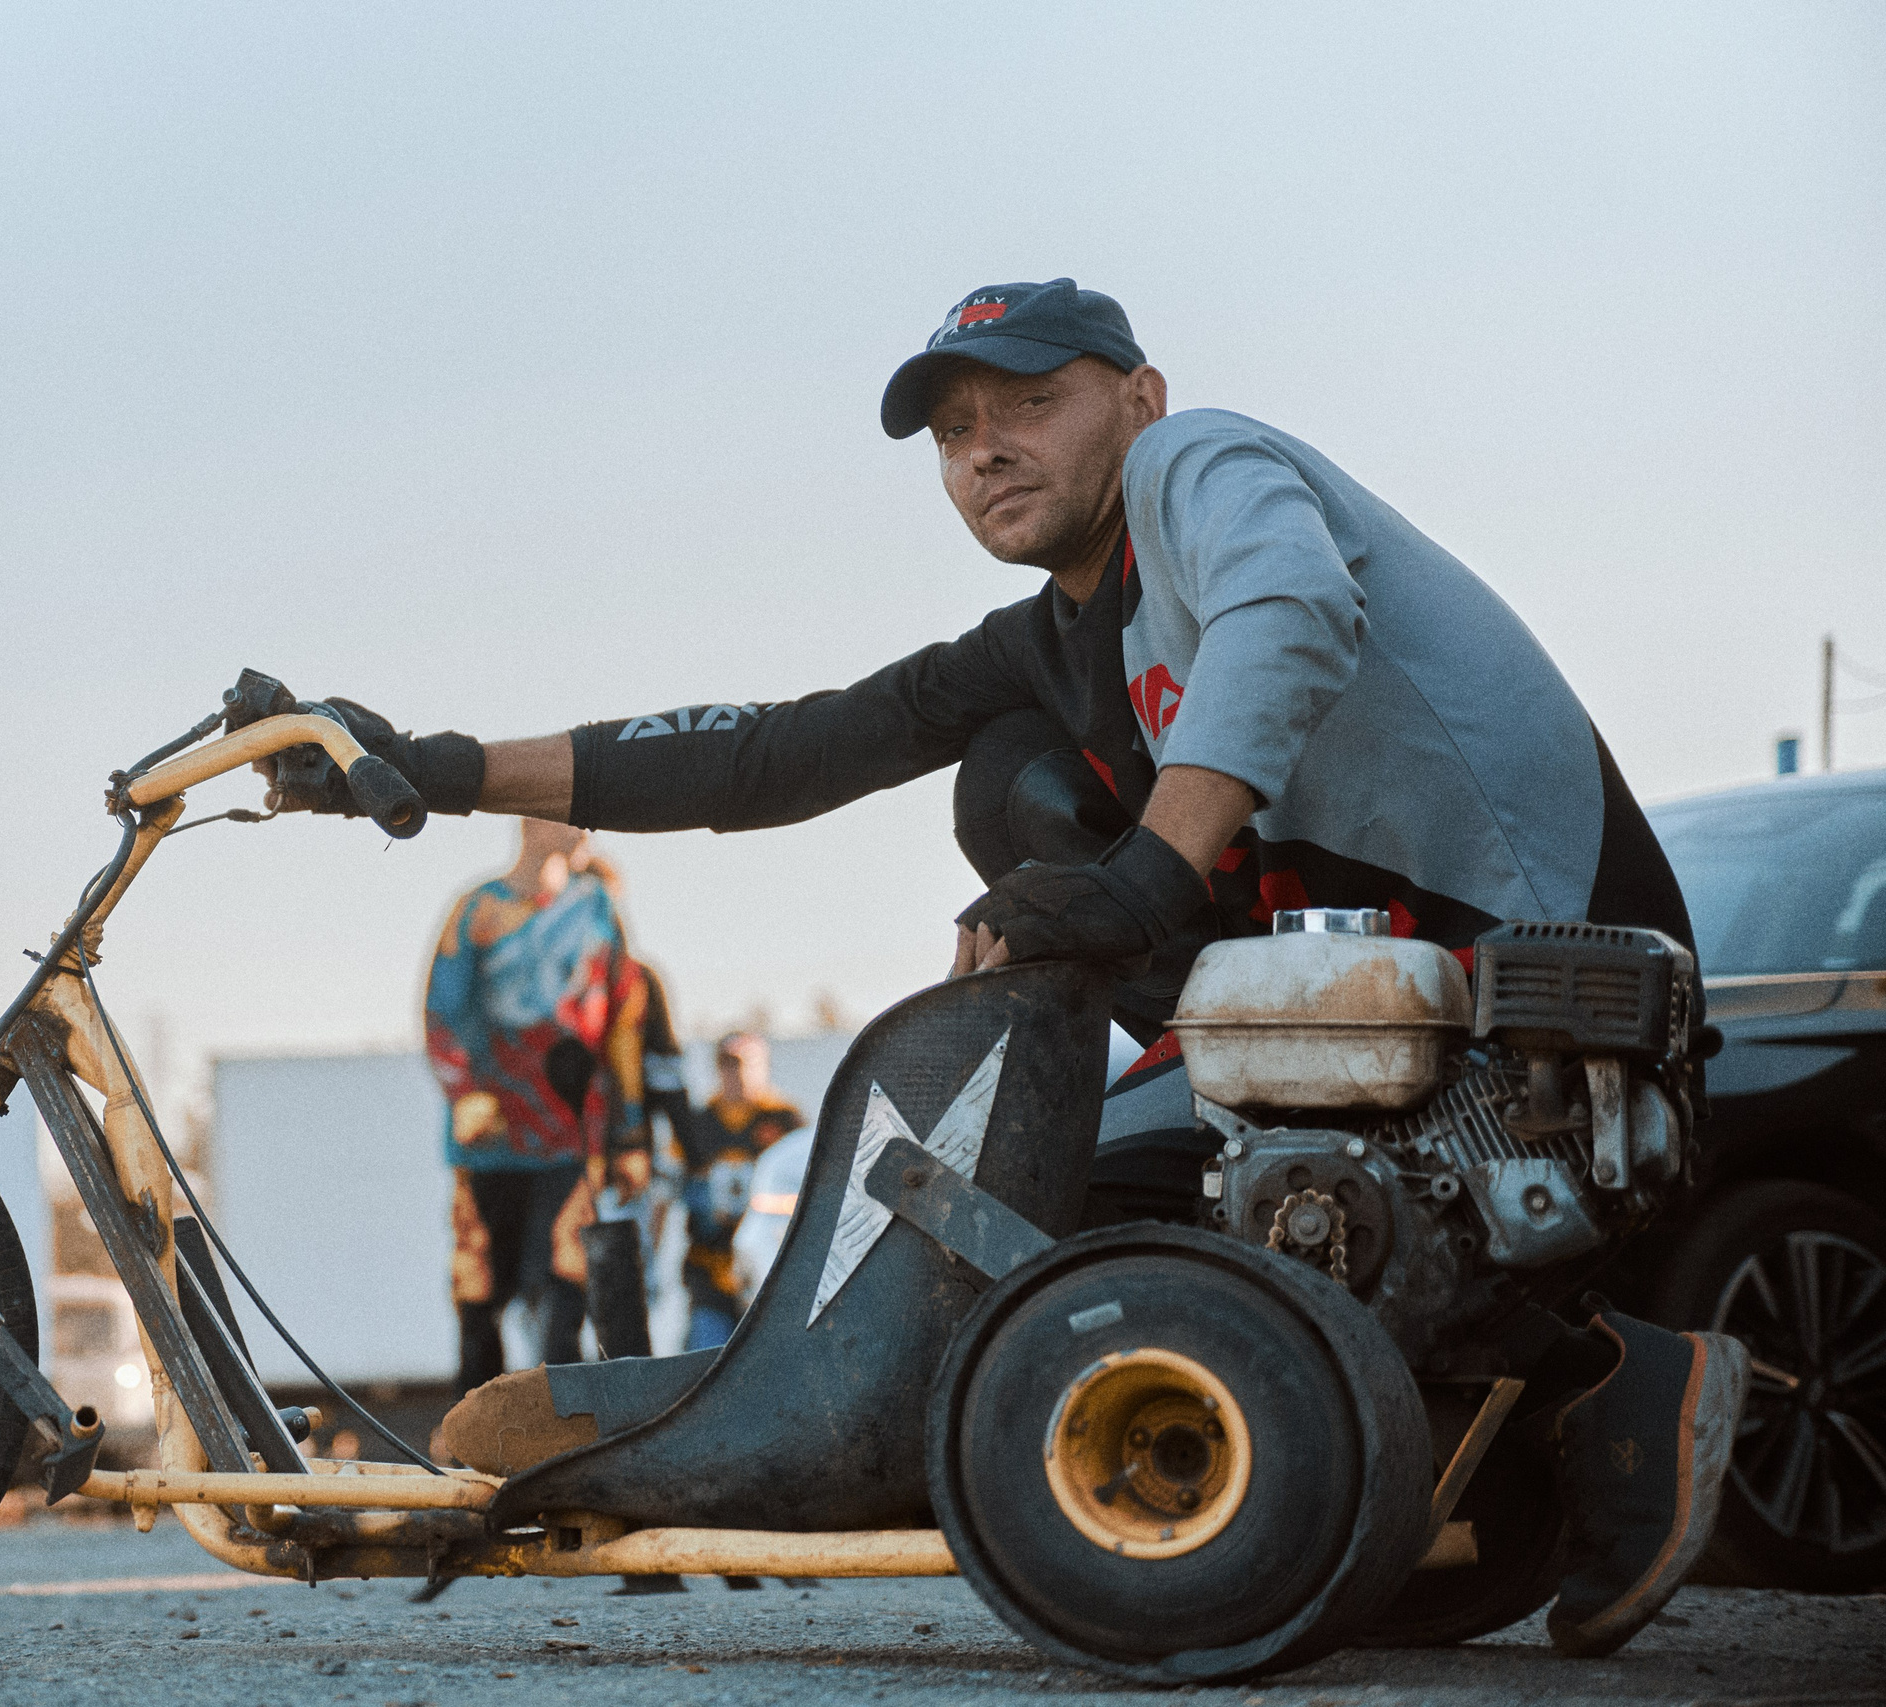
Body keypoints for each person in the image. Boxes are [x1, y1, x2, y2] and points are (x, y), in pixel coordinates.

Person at [255, 276, 1746, 1658]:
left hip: (1533, 986)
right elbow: (777, 749)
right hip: (1340, 1027)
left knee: (1026, 833)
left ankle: (1598, 1372)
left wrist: (1142, 879)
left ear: (1139, 398)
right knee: (1032, 1233)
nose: (985, 451)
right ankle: (1421, 1449)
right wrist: (438, 766)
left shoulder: (1204, 468)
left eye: (1029, 404)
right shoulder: (1048, 636)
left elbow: (1291, 615)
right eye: (956, 431)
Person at [424, 819, 647, 1401]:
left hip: (573, 1133)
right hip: (491, 1137)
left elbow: (624, 1022)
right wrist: (466, 1092)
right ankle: (477, 1435)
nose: (585, 825)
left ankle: (563, 1433)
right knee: (480, 1292)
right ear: (531, 821)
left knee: (565, 1283)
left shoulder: (597, 907)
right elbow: (444, 1010)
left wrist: (630, 1133)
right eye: (566, 813)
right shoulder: (477, 909)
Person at [677, 1032, 803, 1351]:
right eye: (729, 1065)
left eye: (746, 1064)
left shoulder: (787, 1119)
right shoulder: (698, 1122)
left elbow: (811, 1188)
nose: (738, 1074)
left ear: (765, 1065)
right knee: (705, 1360)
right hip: (711, 1265)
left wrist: (759, 1205)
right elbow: (672, 1189)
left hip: (770, 1271)